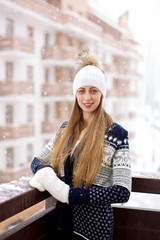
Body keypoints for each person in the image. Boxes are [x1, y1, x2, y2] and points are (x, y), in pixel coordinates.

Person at [29, 50, 132, 240]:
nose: (87, 97)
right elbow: (37, 160)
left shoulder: (117, 135)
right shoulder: (66, 130)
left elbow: (122, 191)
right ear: (75, 94)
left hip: (93, 231)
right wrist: (46, 174)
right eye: (81, 90)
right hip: (62, 223)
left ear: (102, 94)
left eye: (93, 90)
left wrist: (70, 195)